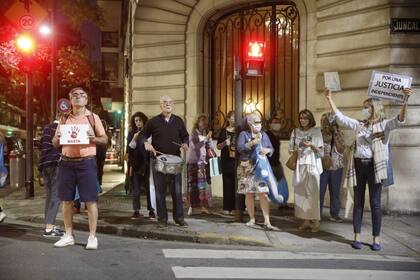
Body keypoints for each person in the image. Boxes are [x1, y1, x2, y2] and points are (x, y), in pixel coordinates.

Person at [324, 87, 412, 251]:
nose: (363, 110)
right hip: (358, 165)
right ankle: (357, 237)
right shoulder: (359, 124)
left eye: (366, 107)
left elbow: (400, 119)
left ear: (374, 108)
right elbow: (341, 118)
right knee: (358, 202)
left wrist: (405, 100)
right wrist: (330, 99)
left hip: (374, 166)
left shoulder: (384, 125)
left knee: (375, 203)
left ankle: (376, 239)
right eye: (363, 107)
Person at [52, 87, 108, 250]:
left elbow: (104, 139)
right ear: (70, 99)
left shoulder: (93, 118)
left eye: (82, 95)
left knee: (90, 201)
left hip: (87, 162)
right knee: (67, 201)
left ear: (86, 100)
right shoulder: (63, 119)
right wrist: (58, 138)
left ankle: (92, 236)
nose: (78, 97)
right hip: (66, 162)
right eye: (74, 95)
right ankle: (68, 235)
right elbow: (55, 143)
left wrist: (94, 138)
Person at [143, 95, 189, 227]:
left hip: (175, 159)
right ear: (160, 105)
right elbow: (143, 135)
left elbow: (185, 136)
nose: (167, 104)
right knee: (160, 191)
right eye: (164, 103)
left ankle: (179, 218)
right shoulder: (153, 121)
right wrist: (146, 143)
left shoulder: (178, 121)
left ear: (173, 105)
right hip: (158, 160)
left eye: (170, 102)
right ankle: (162, 219)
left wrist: (185, 143)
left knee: (177, 191)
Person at [237, 113, 277, 230]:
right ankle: (252, 218)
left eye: (259, 122)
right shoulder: (244, 134)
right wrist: (251, 143)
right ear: (249, 124)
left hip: (261, 169)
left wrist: (267, 150)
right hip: (248, 167)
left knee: (263, 194)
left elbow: (271, 149)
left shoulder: (264, 135)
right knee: (249, 194)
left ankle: (267, 221)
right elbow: (240, 148)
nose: (258, 124)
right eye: (256, 122)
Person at [289, 109, 323, 232]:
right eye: (301, 118)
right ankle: (306, 220)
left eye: (305, 118)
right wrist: (295, 149)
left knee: (312, 194)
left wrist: (311, 146)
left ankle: (316, 220)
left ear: (310, 119)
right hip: (300, 164)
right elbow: (290, 148)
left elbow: (321, 151)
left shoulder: (316, 131)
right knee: (301, 194)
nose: (302, 120)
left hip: (312, 164)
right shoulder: (295, 132)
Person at [127, 112, 155, 219]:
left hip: (148, 162)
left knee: (149, 188)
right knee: (136, 188)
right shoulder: (132, 133)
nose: (138, 122)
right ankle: (136, 210)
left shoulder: (149, 132)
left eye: (139, 120)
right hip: (136, 164)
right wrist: (134, 138)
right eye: (135, 121)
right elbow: (129, 149)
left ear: (144, 120)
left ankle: (151, 210)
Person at [39, 118, 64, 237]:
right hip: (55, 163)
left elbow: (41, 146)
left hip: (44, 164)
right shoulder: (62, 128)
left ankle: (48, 225)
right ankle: (49, 228)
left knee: (49, 196)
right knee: (56, 195)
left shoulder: (46, 128)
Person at [319, 112, 345, 222]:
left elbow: (341, 150)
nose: (326, 124)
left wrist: (335, 136)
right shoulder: (319, 134)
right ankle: (317, 214)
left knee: (335, 192)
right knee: (320, 191)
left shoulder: (339, 133)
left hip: (336, 166)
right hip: (322, 167)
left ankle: (335, 214)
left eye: (328, 121)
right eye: (324, 121)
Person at [187, 115, 213, 215]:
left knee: (202, 186)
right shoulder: (194, 133)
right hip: (193, 163)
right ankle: (191, 207)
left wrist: (209, 140)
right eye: (202, 121)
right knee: (192, 185)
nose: (204, 124)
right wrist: (206, 139)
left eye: (205, 122)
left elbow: (209, 147)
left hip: (202, 164)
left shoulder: (205, 133)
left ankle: (203, 206)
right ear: (197, 122)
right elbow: (195, 146)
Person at [216, 111, 236, 215]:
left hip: (236, 161)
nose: (234, 119)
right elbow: (218, 146)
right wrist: (224, 143)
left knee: (236, 185)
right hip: (226, 160)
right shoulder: (223, 131)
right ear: (228, 118)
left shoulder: (240, 131)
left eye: (236, 117)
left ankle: (236, 207)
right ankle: (227, 207)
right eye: (232, 117)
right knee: (227, 184)